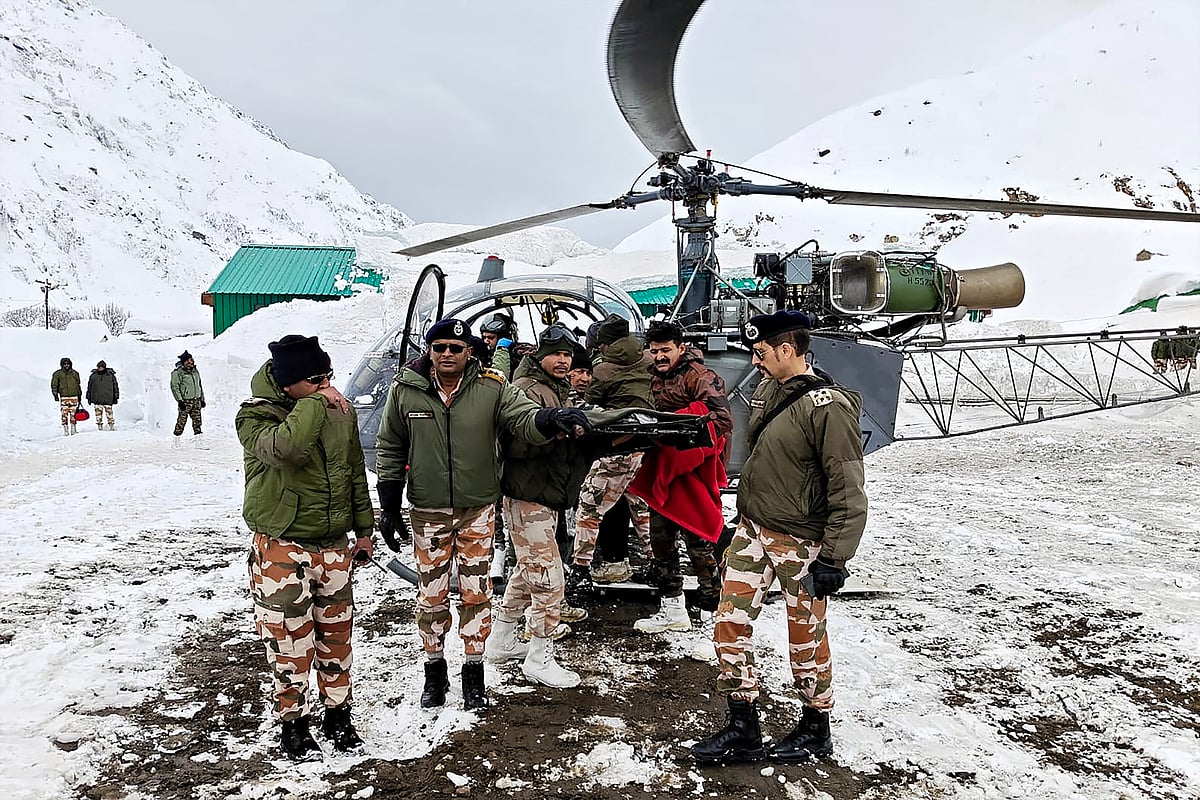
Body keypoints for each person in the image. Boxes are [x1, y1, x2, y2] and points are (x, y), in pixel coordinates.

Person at [374, 318, 589, 711]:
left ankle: (474, 672)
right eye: (439, 348)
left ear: (468, 351)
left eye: (455, 348)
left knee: (476, 593)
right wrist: (388, 505)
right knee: (432, 596)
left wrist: (548, 419)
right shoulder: (406, 390)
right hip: (428, 510)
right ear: (430, 351)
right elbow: (390, 445)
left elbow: (521, 417)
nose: (447, 354)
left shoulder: (491, 387)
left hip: (477, 509)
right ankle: (434, 670)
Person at [693, 310, 867, 764]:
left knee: (805, 637)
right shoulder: (770, 389)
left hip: (801, 541)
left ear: (787, 350)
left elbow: (847, 486)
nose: (755, 361)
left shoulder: (827, 408)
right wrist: (743, 517)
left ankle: (815, 726)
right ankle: (743, 725)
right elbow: (765, 459)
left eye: (761, 352)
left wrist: (834, 558)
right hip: (754, 530)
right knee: (729, 622)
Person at [235, 335, 375, 761]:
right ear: (288, 382)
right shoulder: (255, 415)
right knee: (290, 642)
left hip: (332, 546)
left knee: (337, 638)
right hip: (283, 547)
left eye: (328, 376)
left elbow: (353, 469)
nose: (326, 386)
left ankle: (337, 714)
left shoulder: (336, 412)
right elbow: (288, 449)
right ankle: (293, 723)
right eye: (315, 379)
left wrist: (364, 529)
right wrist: (316, 402)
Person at [487, 325, 598, 688]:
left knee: (527, 571)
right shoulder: (527, 389)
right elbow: (514, 441)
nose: (563, 361)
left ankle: (502, 639)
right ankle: (539, 656)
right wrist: (554, 430)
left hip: (545, 494)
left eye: (568, 354)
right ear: (540, 356)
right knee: (549, 580)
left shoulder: (555, 388)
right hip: (527, 495)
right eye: (556, 354)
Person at [633, 320, 732, 633]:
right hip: (663, 463)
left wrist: (674, 424)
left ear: (680, 348)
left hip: (693, 468)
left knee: (700, 541)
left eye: (665, 350)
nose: (660, 356)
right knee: (660, 539)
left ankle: (712, 610)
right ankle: (672, 606)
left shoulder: (701, 376)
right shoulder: (651, 376)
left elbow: (722, 420)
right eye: (654, 351)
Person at [567, 314, 654, 591]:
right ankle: (656, 562)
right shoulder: (649, 359)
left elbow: (590, 406)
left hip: (616, 446)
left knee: (589, 506)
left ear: (603, 345)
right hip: (645, 444)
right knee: (640, 507)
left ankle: (580, 568)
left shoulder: (603, 370)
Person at [170, 351, 205, 437]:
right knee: (181, 422)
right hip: (185, 401)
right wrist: (180, 401)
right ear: (184, 362)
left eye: (192, 360)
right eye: (189, 360)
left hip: (196, 400)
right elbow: (175, 387)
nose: (191, 362)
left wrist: (202, 399)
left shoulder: (195, 371)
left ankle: (198, 439)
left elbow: (199, 385)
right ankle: (176, 438)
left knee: (197, 422)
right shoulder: (178, 372)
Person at [51, 357, 82, 436]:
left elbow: (78, 385)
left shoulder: (75, 373)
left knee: (73, 414)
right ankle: (65, 430)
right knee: (64, 414)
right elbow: (54, 385)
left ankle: (73, 429)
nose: (66, 365)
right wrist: (55, 394)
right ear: (62, 365)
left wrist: (79, 395)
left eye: (68, 364)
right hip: (64, 396)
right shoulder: (57, 374)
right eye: (64, 364)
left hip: (74, 396)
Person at [86, 360, 119, 431]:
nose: (100, 368)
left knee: (109, 414)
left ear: (104, 367)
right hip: (97, 398)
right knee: (98, 415)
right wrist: (88, 396)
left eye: (102, 367)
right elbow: (89, 387)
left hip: (108, 398)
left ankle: (111, 426)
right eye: (99, 367)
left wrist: (116, 396)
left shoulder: (110, 375)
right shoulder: (93, 376)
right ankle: (99, 427)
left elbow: (115, 386)